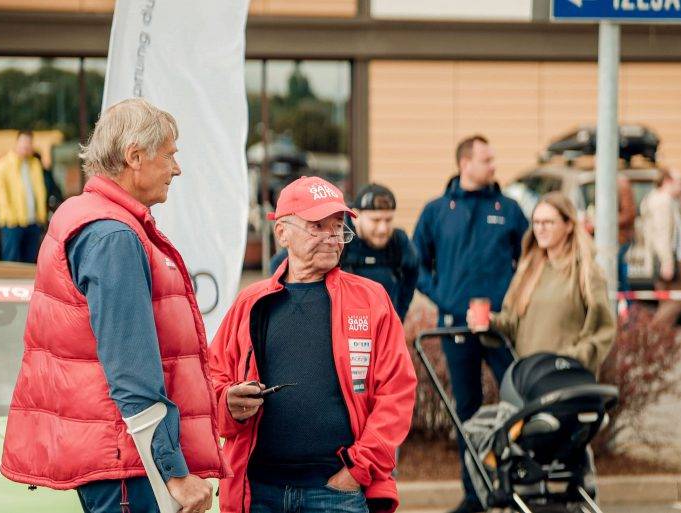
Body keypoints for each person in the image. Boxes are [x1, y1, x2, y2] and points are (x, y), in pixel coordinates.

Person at [1, 98, 229, 513]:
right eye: (169, 156)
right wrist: (173, 472)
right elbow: (131, 369)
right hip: (127, 461)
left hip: (117, 455)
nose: (177, 169)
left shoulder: (85, 216)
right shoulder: (113, 236)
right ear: (134, 157)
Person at [210, 175, 417, 513]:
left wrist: (357, 469)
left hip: (336, 493)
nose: (331, 237)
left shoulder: (371, 300)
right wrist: (227, 404)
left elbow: (397, 391)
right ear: (282, 233)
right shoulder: (250, 303)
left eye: (337, 226)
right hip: (258, 492)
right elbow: (210, 381)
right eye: (317, 226)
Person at [412, 135, 528, 513]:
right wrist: (445, 298)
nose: (494, 165)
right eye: (486, 159)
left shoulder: (508, 209)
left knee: (520, 402)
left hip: (499, 327)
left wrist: (510, 302)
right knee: (467, 411)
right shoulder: (437, 211)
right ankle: (475, 494)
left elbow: (528, 262)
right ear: (465, 163)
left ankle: (517, 486)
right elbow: (416, 263)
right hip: (456, 329)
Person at [468, 192, 615, 373]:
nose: (540, 229)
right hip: (529, 377)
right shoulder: (527, 271)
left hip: (569, 379)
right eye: (536, 222)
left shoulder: (586, 272)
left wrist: (571, 359)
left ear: (568, 225)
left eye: (548, 222)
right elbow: (511, 323)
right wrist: (489, 322)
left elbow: (602, 332)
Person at [269, 183, 419, 319]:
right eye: (375, 220)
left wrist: (399, 313)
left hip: (383, 322)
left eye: (388, 220)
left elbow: (413, 270)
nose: (383, 229)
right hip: (343, 324)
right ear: (355, 217)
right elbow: (282, 262)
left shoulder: (398, 242)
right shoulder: (337, 239)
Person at [641, 168, 681, 328]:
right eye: (679, 182)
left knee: (667, 300)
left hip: (672, 256)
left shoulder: (667, 200)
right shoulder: (662, 202)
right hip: (669, 258)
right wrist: (667, 261)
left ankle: (660, 335)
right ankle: (654, 328)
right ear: (667, 181)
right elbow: (661, 234)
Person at [0, 130, 47, 263]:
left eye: (29, 142)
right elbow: (0, 194)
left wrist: (41, 215)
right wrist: (8, 216)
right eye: (23, 142)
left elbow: (40, 191)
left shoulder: (35, 164)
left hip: (33, 221)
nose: (26, 146)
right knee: (11, 262)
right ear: (16, 143)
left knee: (31, 262)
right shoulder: (3, 165)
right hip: (12, 223)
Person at [617, 175, 637, 293]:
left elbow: (629, 214)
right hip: (619, 238)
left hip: (621, 238)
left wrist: (605, 222)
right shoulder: (618, 184)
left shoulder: (622, 186)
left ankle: (627, 301)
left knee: (619, 275)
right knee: (619, 273)